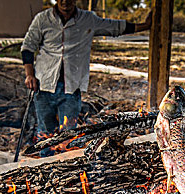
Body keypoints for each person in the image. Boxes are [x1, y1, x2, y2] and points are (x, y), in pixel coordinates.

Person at [21, 0, 152, 146]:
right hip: (44, 85)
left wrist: (145, 26)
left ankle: (63, 164)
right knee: (46, 132)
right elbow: (28, 47)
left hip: (71, 87)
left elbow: (115, 27)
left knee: (68, 134)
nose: (65, 2)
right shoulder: (42, 19)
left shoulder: (88, 19)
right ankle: (43, 161)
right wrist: (29, 75)